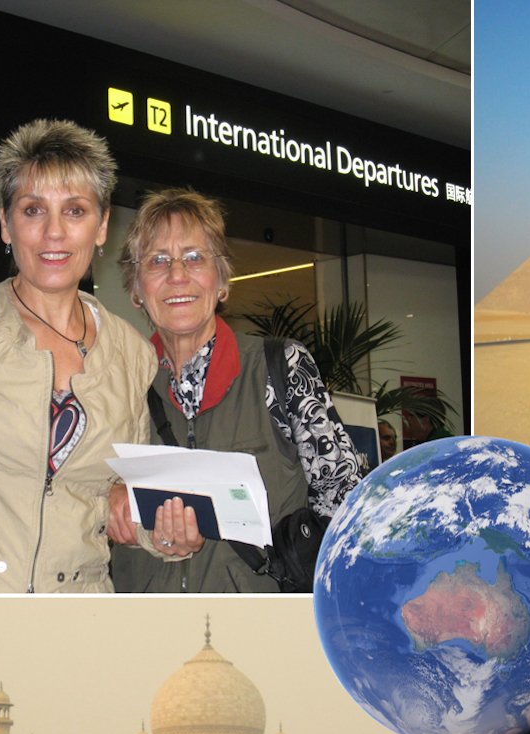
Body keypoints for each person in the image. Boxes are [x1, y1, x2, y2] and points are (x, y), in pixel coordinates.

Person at [0, 119, 197, 593]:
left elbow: (109, 500)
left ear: (102, 224)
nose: (53, 233)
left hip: (71, 623)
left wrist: (162, 534)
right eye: (32, 210)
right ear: (6, 224)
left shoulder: (130, 353)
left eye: (74, 211)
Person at [109, 188, 362, 592]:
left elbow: (347, 500)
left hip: (253, 629)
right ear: (137, 289)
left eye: (194, 257)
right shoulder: (115, 380)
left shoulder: (281, 368)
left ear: (222, 280)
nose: (177, 275)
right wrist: (110, 498)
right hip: (144, 626)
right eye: (158, 260)